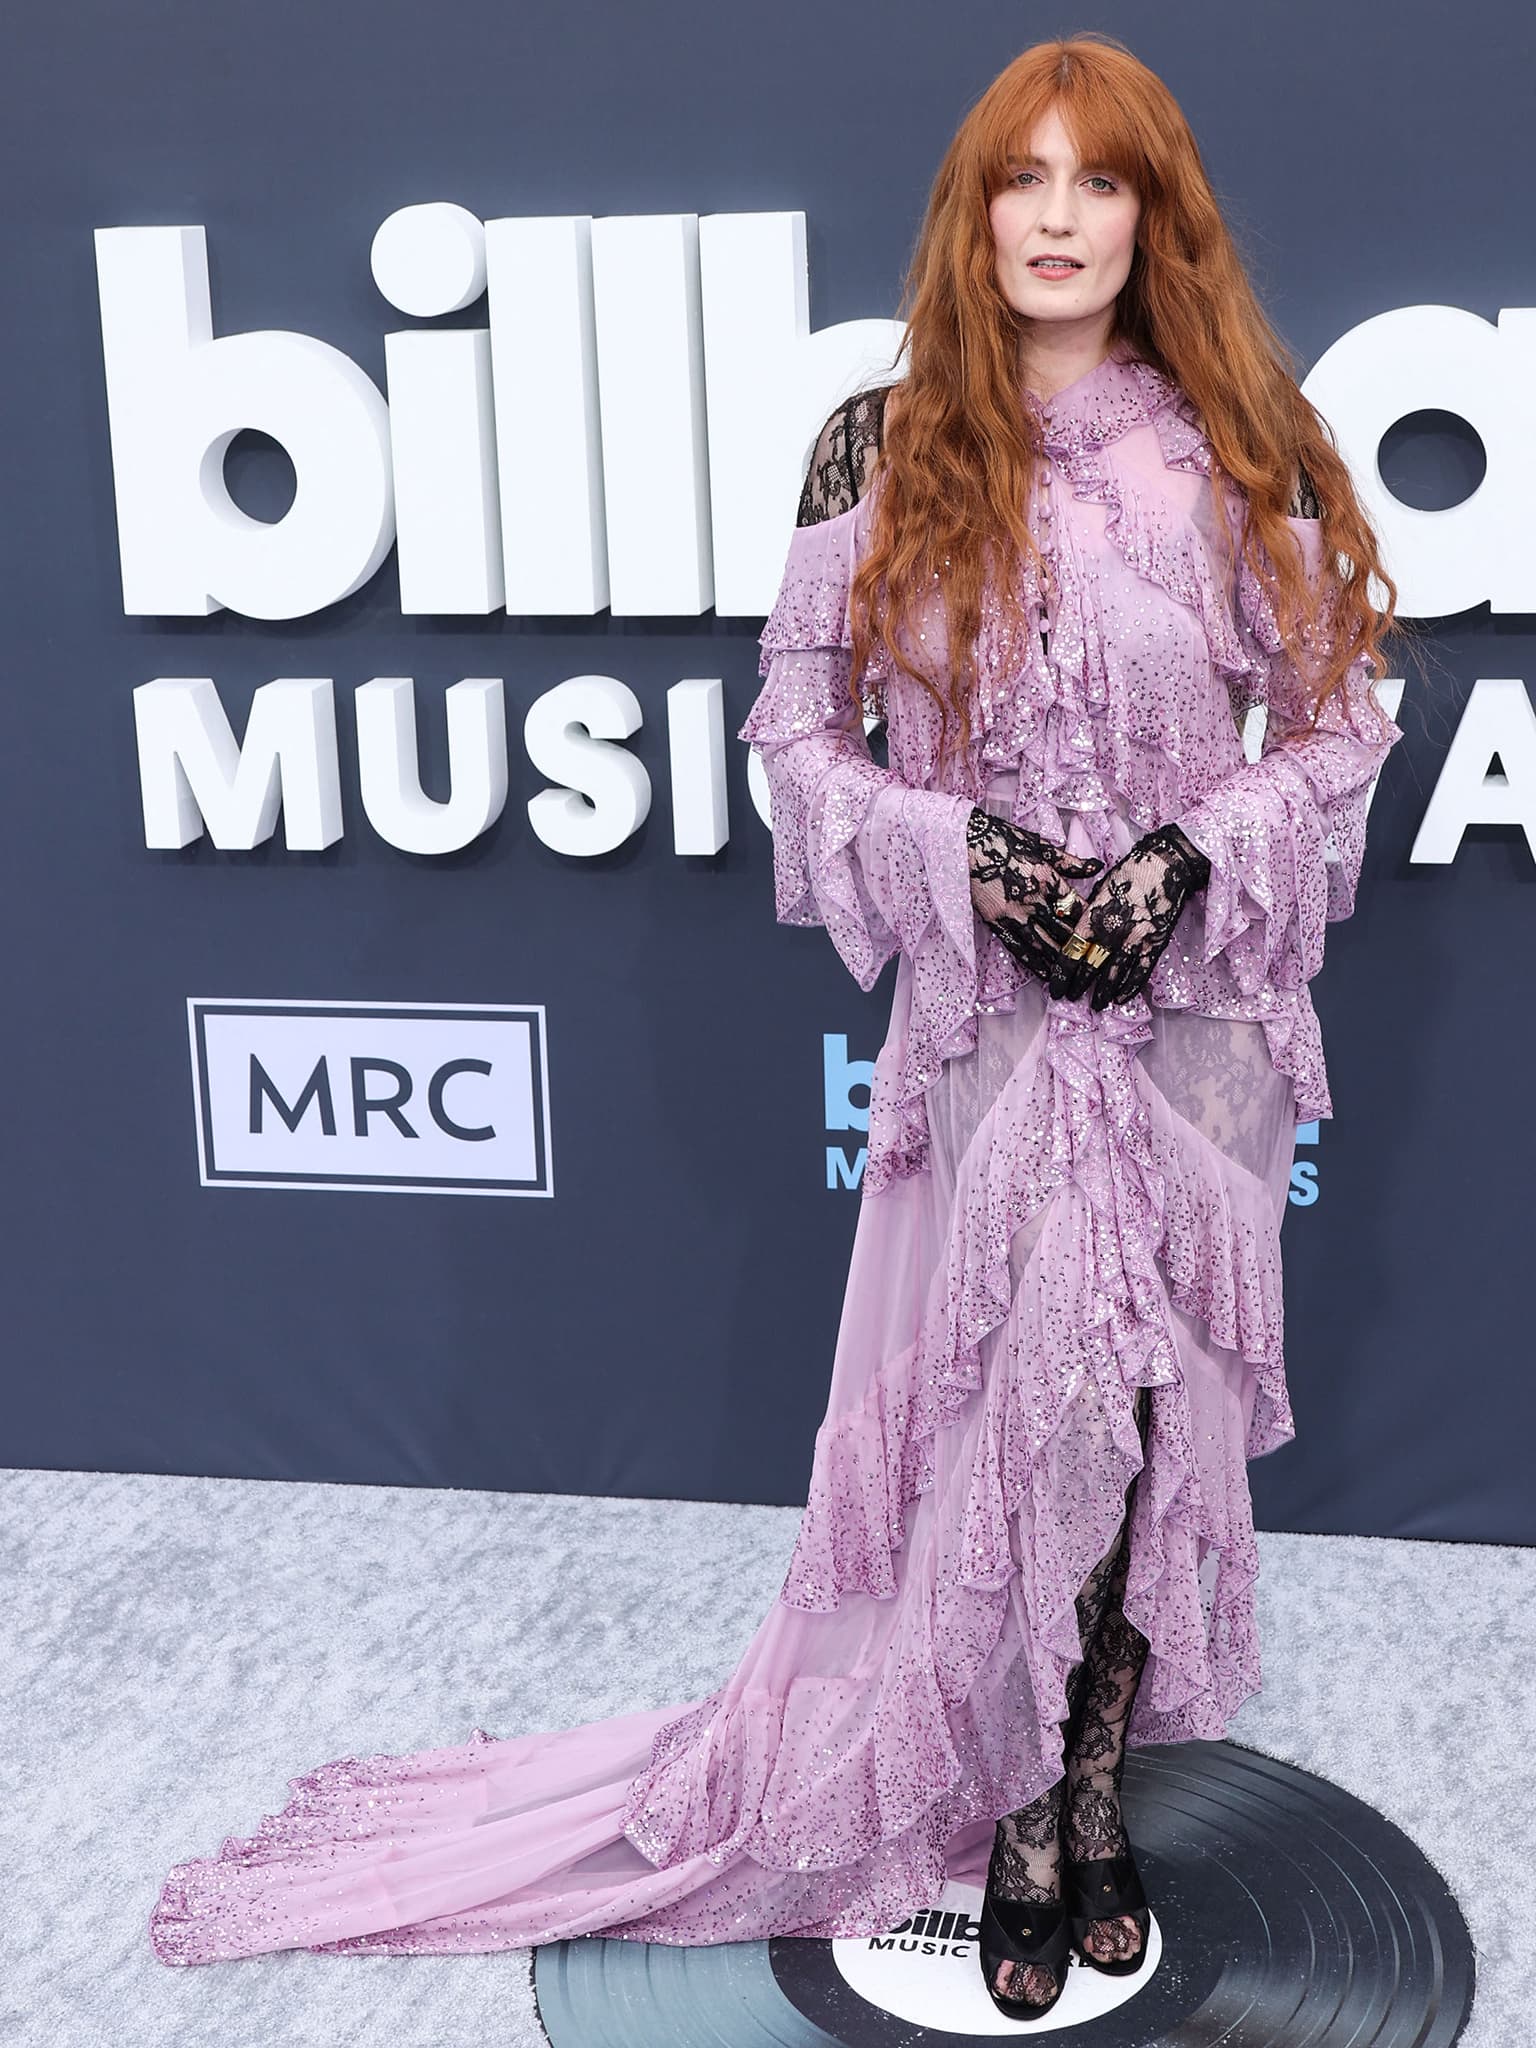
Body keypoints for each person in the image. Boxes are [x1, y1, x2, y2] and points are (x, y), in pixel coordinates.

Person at [147, 33, 1403, 2024]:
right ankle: (1016, 1818)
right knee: (1028, 1412)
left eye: (1103, 183)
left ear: (1155, 215)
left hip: (1195, 1035)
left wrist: (1186, 854)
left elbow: (1344, 727)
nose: (1062, 219)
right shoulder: (879, 447)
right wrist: (975, 857)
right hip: (988, 1024)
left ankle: (1083, 1800)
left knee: (1138, 1426)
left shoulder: (1244, 446)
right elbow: (798, 751)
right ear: (974, 211)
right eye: (1026, 180)